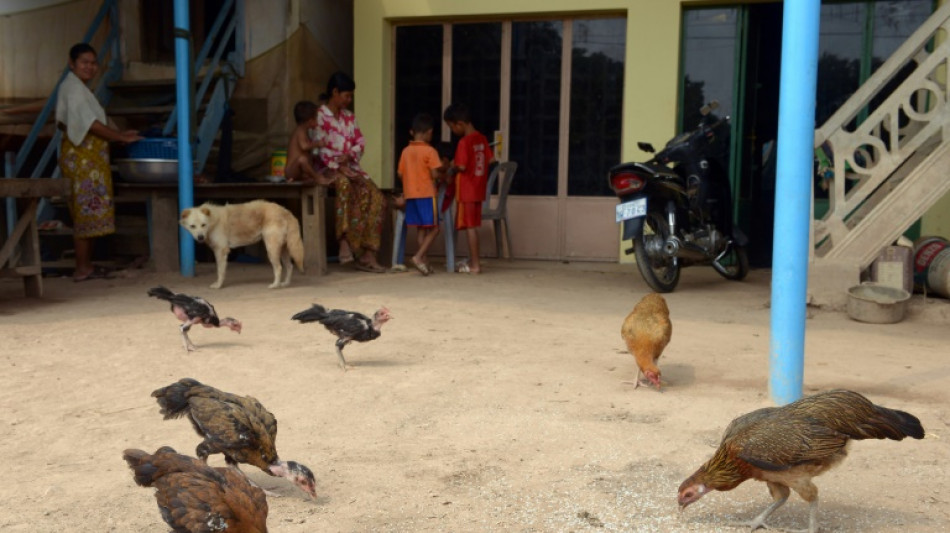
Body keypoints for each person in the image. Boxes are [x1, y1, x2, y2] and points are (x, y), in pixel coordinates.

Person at [56, 42, 142, 282]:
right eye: (84, 62)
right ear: (72, 64)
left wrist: (120, 135)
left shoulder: (80, 89)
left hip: (90, 160)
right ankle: (82, 268)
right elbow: (91, 125)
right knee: (85, 214)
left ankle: (87, 266)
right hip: (82, 160)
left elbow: (94, 120)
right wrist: (120, 137)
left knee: (89, 214)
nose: (90, 67)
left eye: (93, 63)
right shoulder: (73, 89)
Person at [313, 71, 387, 273]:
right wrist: (338, 166)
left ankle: (368, 254)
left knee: (377, 197)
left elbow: (360, 143)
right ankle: (344, 242)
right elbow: (317, 149)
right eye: (347, 95)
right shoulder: (319, 116)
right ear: (334, 92)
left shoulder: (349, 118)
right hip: (327, 170)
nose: (349, 100)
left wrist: (349, 157)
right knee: (344, 185)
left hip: (351, 167)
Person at [443, 103, 493, 274]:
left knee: (470, 227)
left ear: (459, 124)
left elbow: (462, 166)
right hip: (478, 189)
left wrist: (452, 166)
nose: (452, 131)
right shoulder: (482, 138)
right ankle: (474, 261)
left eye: (451, 127)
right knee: (473, 226)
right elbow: (490, 160)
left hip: (467, 190)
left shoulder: (464, 142)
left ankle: (475, 265)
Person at [396, 113, 443, 276]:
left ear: (412, 132)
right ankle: (417, 257)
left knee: (421, 230)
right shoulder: (430, 151)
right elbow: (435, 174)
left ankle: (424, 262)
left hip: (411, 195)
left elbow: (401, 174)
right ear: (429, 132)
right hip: (427, 194)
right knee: (435, 229)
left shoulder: (405, 151)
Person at [285, 100, 333, 185]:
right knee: (302, 159)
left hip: (299, 172)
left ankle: (313, 176)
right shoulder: (300, 131)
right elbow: (304, 146)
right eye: (316, 118)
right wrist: (317, 144)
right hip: (291, 171)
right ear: (310, 121)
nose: (317, 122)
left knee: (311, 159)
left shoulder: (305, 132)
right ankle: (317, 178)